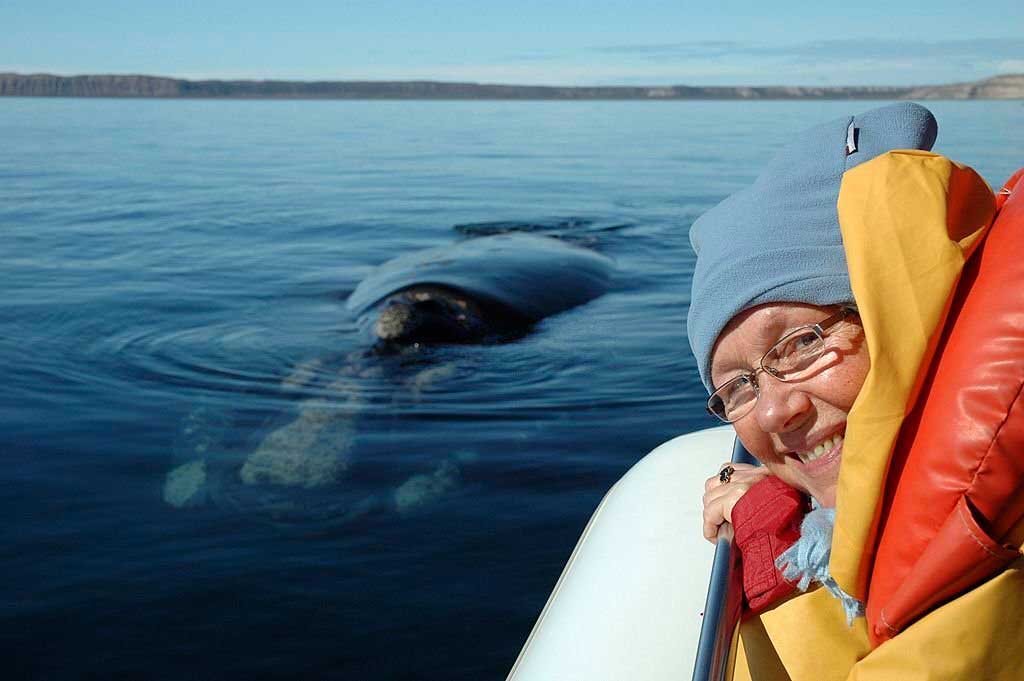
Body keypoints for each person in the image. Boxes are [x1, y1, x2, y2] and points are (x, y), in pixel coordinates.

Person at [686, 102, 1023, 680]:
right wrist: (786, 531)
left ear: (899, 319)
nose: (773, 410)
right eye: (736, 386)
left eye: (800, 343)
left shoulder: (997, 527)